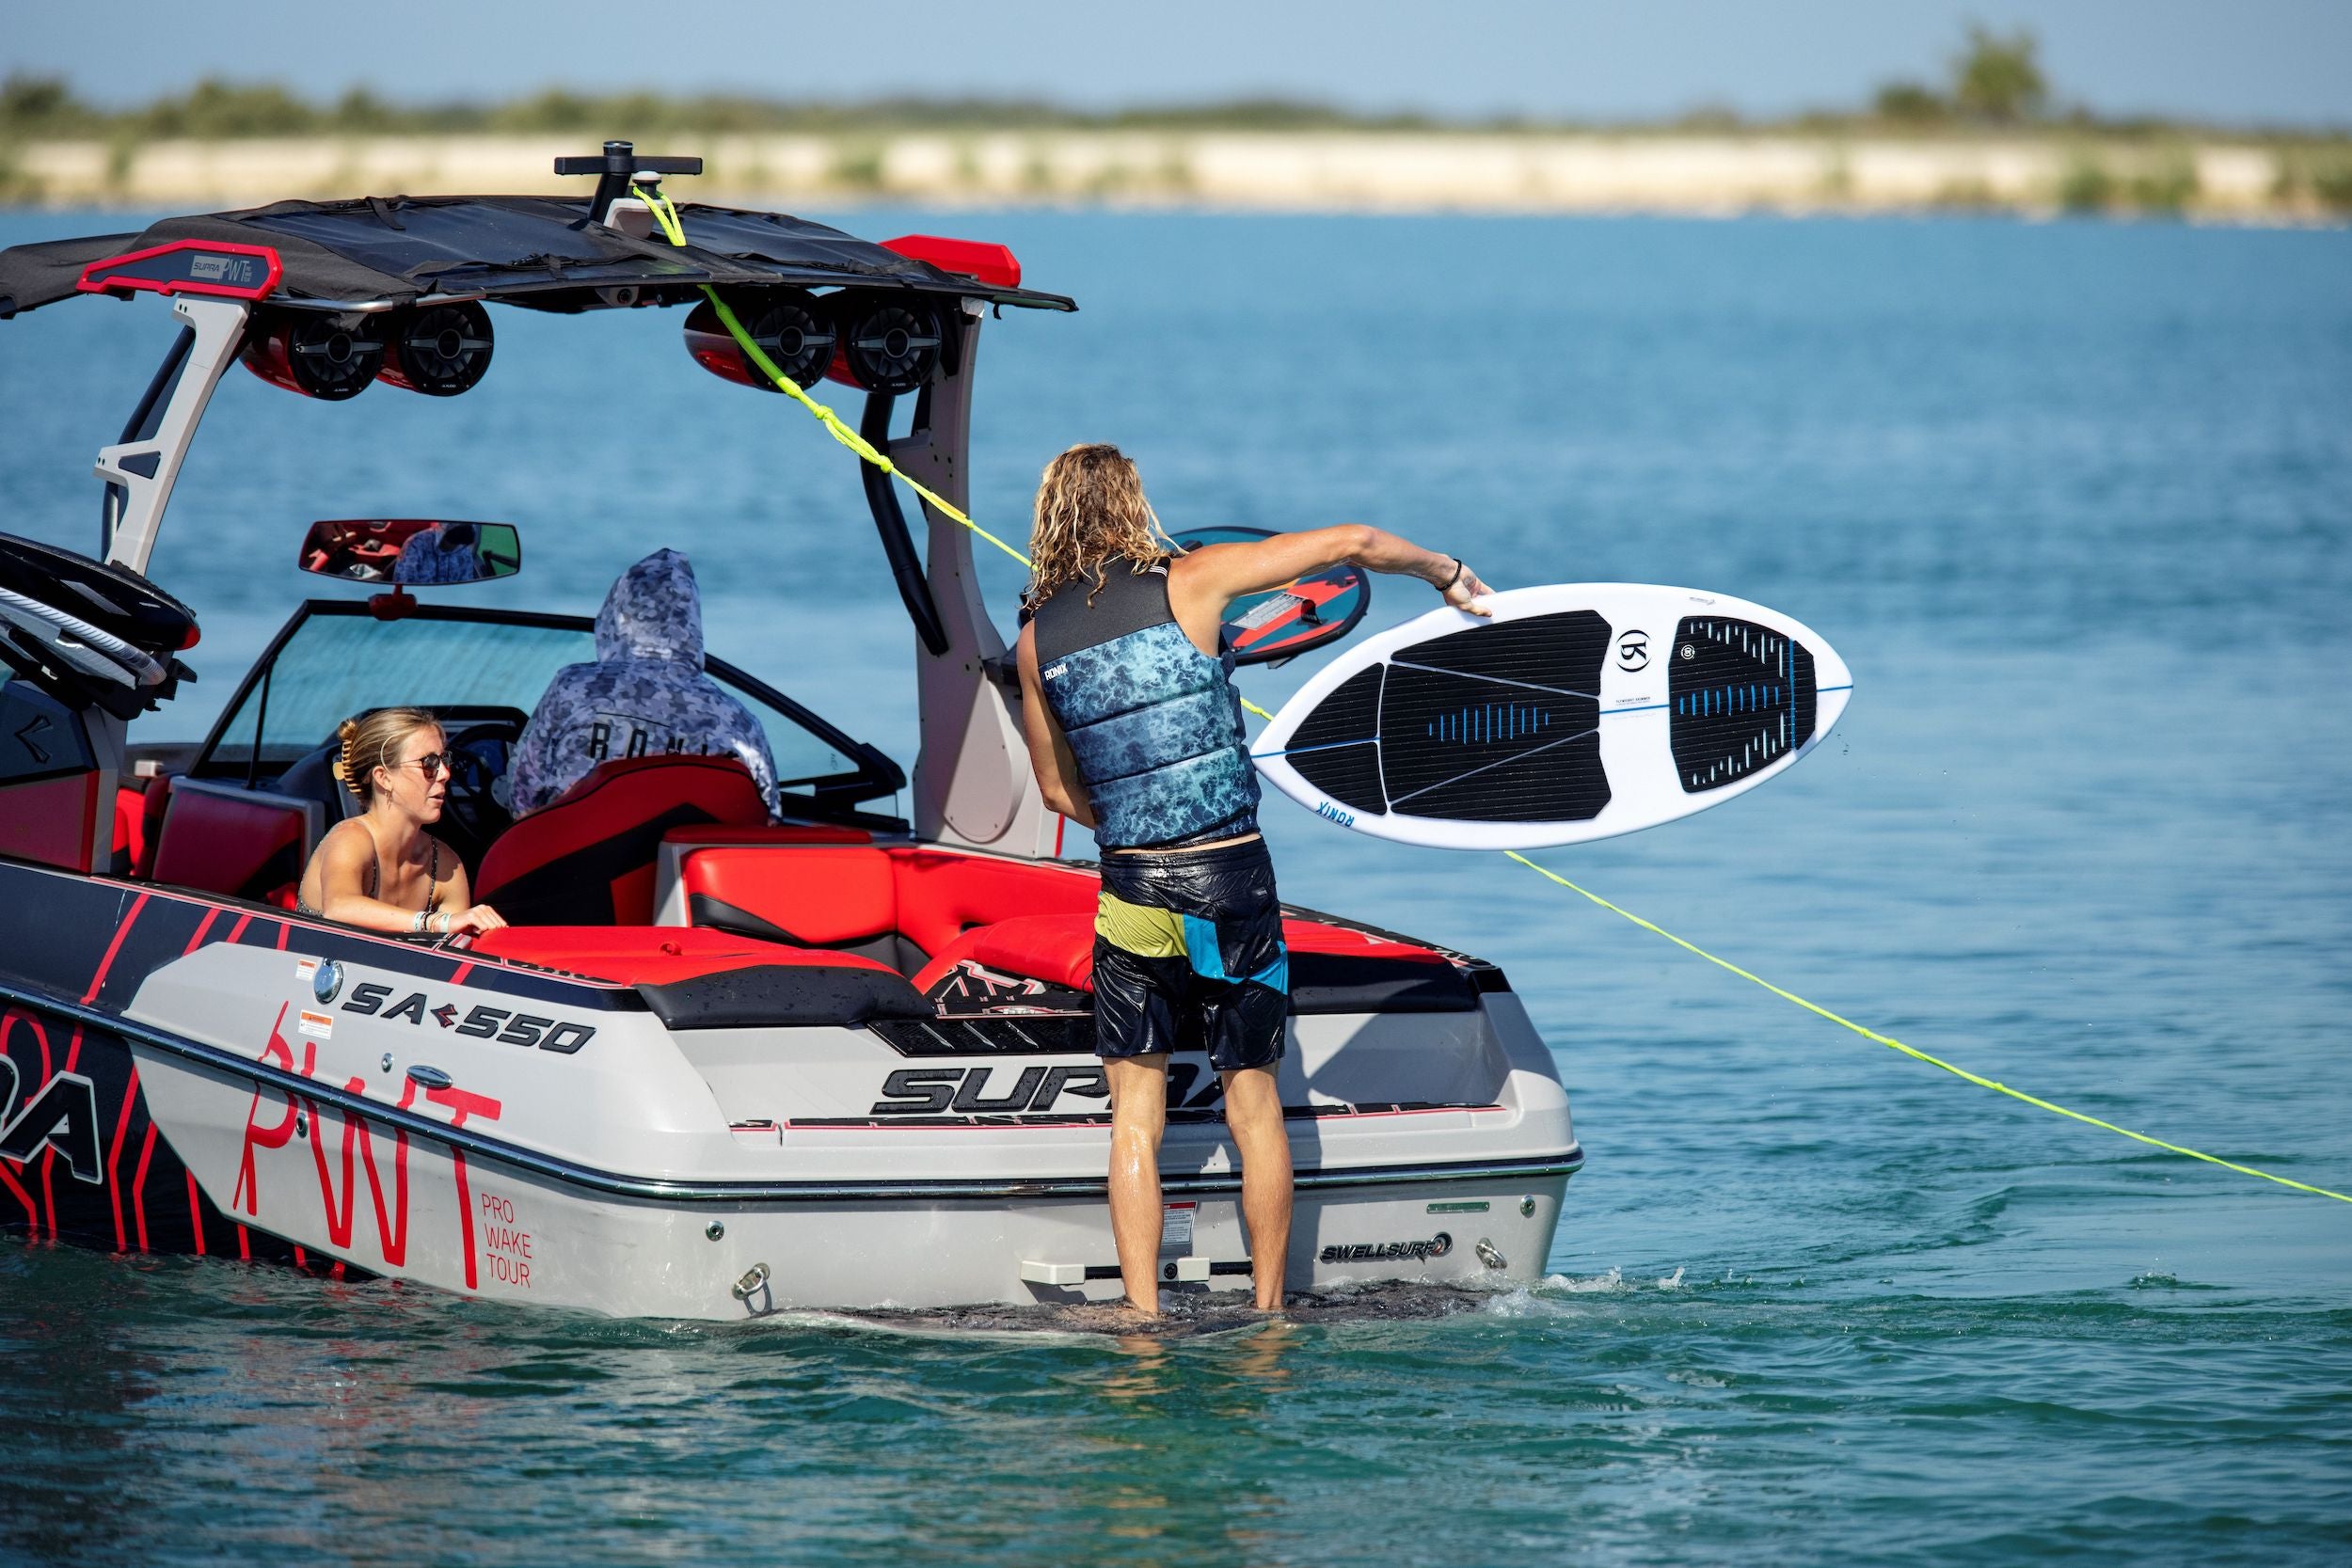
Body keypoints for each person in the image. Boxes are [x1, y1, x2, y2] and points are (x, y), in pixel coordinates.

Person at [1013, 443, 1492, 1316]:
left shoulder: (1034, 639)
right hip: (1229, 881)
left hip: (1129, 892)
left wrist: (1130, 815)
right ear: (1132, 505)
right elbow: (1352, 542)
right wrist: (1445, 573)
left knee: (1134, 1121)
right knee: (1253, 1101)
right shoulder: (1192, 581)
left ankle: (1144, 1319)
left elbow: (1054, 789)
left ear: (1050, 520)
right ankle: (1268, 1312)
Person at [506, 548, 781, 817]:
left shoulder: (574, 688)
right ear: (692, 623)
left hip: (573, 859)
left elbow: (522, 798)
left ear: (615, 618)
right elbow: (767, 820)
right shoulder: (740, 722)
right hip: (690, 862)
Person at [296, 706, 507, 937]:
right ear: (384, 778)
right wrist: (435, 923)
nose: (445, 773)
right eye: (429, 763)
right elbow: (339, 908)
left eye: (445, 760)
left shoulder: (446, 864)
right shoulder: (349, 837)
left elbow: (455, 952)